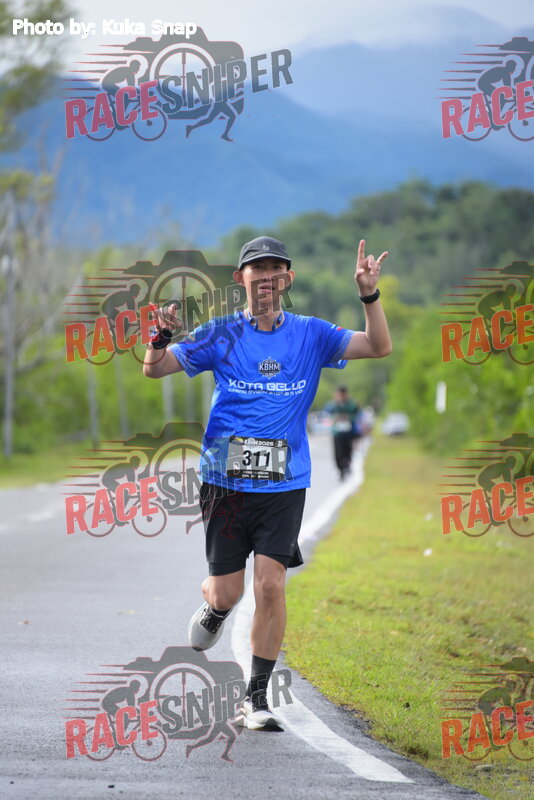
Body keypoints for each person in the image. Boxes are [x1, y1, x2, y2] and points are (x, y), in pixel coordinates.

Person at [143, 235, 392, 731]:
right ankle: (215, 609)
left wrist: (369, 294)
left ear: (288, 279)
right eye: (258, 270)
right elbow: (156, 369)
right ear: (242, 279)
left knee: (272, 586)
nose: (267, 277)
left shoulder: (311, 333)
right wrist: (159, 337)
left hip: (284, 484)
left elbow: (379, 346)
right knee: (228, 592)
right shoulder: (220, 334)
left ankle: (255, 698)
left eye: (277, 269)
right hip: (226, 483)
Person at [325, 386, 360, 479]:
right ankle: (341, 469)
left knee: (348, 451)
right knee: (338, 453)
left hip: (349, 433)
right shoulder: (333, 404)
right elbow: (328, 412)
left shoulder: (351, 404)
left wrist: (348, 417)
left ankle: (347, 466)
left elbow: (356, 413)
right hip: (337, 433)